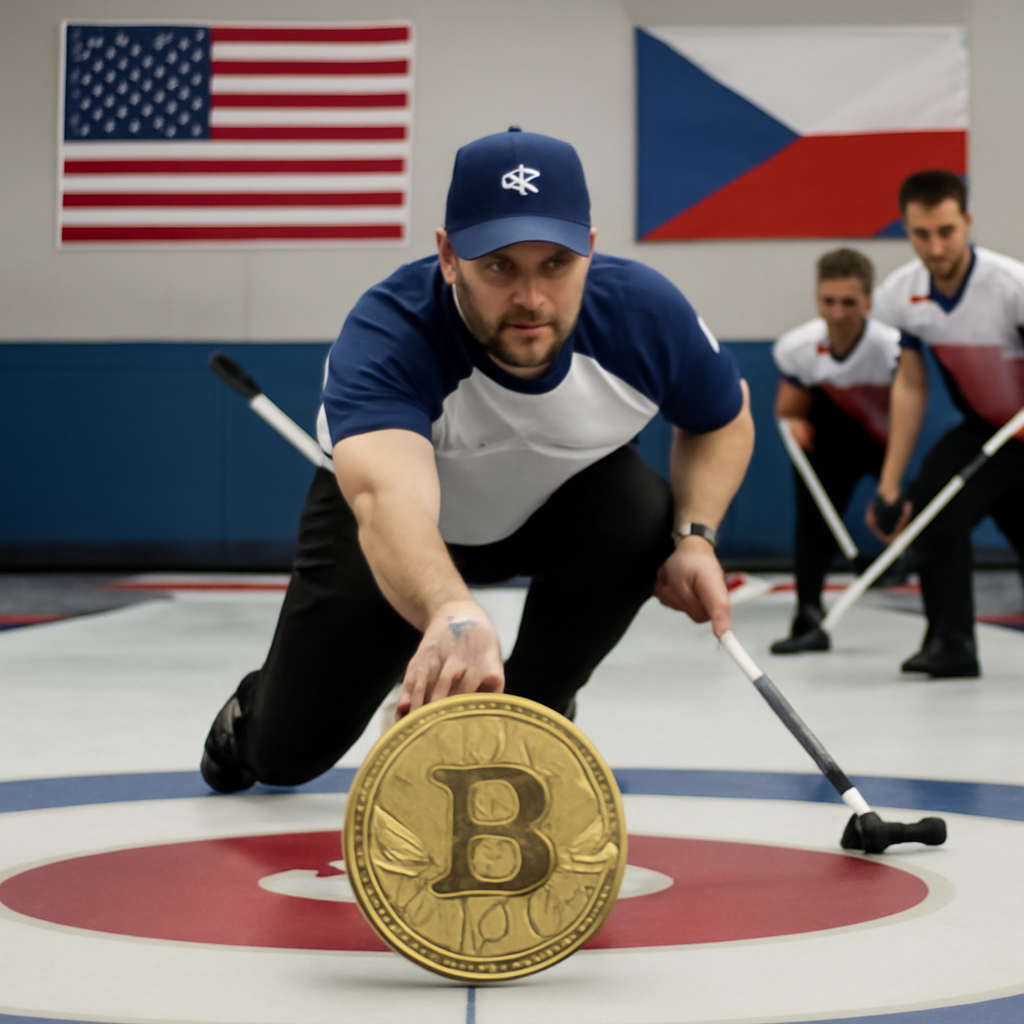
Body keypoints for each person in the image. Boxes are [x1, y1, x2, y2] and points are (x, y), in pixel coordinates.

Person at [200, 127, 755, 792]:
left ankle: (535, 706)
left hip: (553, 512)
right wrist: (449, 609)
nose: (530, 299)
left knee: (640, 506)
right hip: (403, 535)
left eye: (555, 263)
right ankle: (250, 720)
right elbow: (389, 505)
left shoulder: (644, 315)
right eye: (499, 267)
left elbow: (723, 420)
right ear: (448, 255)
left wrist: (695, 539)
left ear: (591, 251)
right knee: (288, 756)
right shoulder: (388, 335)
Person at [868, 170, 1024, 678]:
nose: (935, 247)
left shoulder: (1011, 287)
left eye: (946, 231)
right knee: (933, 503)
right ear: (906, 229)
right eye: (921, 234)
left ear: (967, 222)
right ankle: (951, 645)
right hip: (988, 428)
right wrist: (890, 485)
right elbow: (911, 387)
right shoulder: (902, 295)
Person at [770, 249, 916, 654]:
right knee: (812, 521)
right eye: (828, 301)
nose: (837, 314)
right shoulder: (798, 347)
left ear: (868, 302)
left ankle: (939, 630)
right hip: (833, 435)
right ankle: (808, 616)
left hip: (888, 439)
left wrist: (891, 484)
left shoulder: (892, 348)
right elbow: (789, 408)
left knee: (915, 515)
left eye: (849, 302)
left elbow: (912, 405)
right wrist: (794, 418)